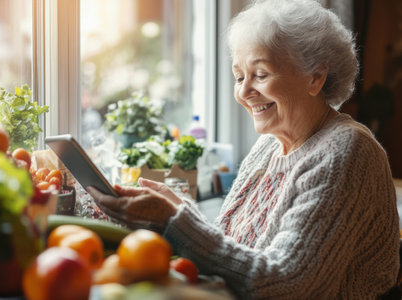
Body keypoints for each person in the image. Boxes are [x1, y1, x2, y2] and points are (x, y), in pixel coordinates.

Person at [88, 0, 400, 298]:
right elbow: (232, 248)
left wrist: (177, 221)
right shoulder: (269, 145)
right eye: (239, 76)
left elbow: (286, 286)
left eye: (260, 74)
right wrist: (177, 212)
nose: (244, 92)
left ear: (315, 77)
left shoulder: (346, 151)